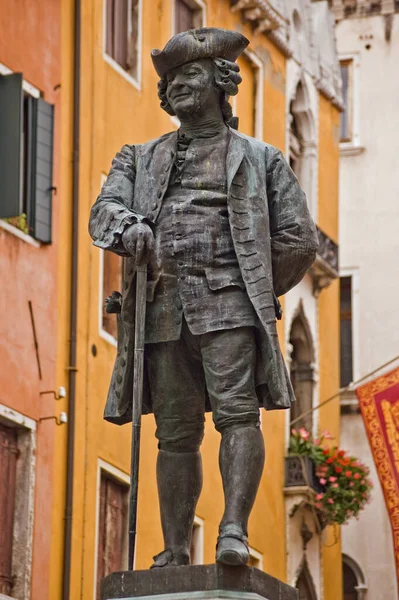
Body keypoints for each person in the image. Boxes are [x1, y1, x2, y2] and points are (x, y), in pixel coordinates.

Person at [89, 28, 318, 568]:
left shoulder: (261, 159)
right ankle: (174, 549)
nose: (177, 88)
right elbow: (104, 210)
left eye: (189, 76)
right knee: (175, 434)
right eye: (170, 82)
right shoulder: (137, 157)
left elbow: (299, 239)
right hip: (161, 308)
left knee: (239, 416)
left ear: (220, 83)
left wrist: (255, 285)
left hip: (230, 307)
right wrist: (127, 227)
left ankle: (233, 531)